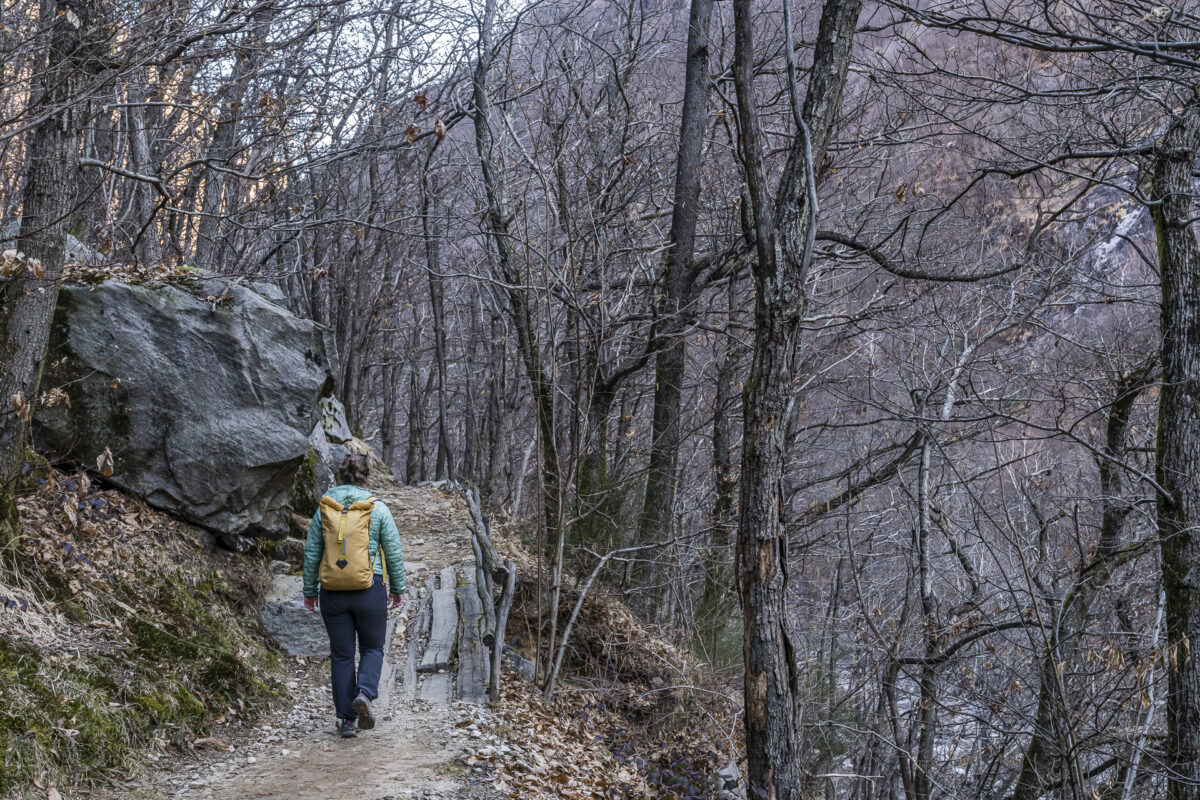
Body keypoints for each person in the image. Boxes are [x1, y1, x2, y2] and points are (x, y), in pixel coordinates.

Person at [302, 454, 405, 738]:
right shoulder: (377, 509)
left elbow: (312, 554)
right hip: (369, 590)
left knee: (342, 655)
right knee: (373, 648)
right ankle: (365, 693)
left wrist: (310, 591)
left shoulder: (324, 508)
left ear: (339, 477)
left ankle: (347, 720)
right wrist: (397, 587)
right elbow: (393, 552)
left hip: (333, 593)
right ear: (367, 478)